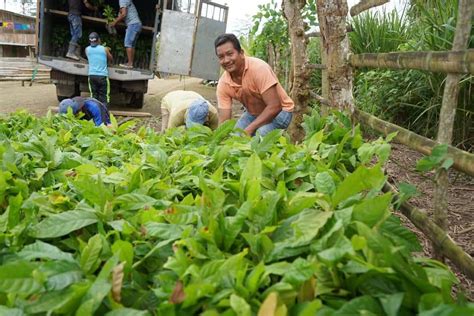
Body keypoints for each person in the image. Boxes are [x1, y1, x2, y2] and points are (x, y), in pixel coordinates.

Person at [214, 33, 294, 137]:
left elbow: (275, 106)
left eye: (230, 54)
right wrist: (217, 140)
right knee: (236, 136)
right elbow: (224, 120)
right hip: (254, 114)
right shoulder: (224, 83)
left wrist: (250, 128)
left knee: (260, 135)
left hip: (281, 112)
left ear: (241, 53)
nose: (226, 60)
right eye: (221, 57)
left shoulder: (258, 69)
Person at [109, 0, 142, 68]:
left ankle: (129, 64)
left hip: (133, 24)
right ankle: (131, 63)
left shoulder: (122, 0)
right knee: (132, 45)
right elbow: (122, 13)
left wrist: (114, 22)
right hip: (137, 24)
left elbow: (124, 14)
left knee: (128, 44)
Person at [85, 32, 113, 107]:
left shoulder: (87, 49)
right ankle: (103, 113)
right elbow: (110, 58)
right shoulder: (104, 49)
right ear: (99, 40)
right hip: (102, 76)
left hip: (92, 76)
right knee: (104, 96)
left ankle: (94, 112)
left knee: (93, 95)